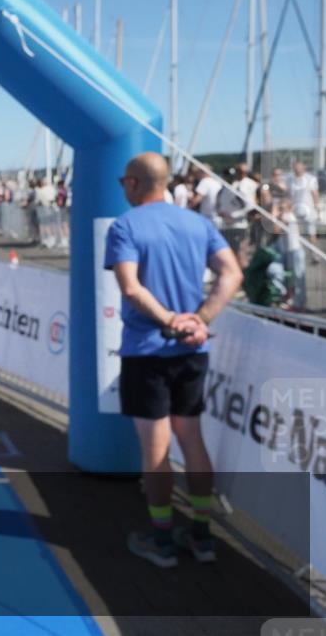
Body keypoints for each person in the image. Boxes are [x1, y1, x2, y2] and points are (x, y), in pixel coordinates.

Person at [105, 152, 243, 568]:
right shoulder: (198, 223)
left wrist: (170, 321)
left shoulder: (125, 226)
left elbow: (130, 288)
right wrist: (198, 320)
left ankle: (162, 538)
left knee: (155, 448)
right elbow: (232, 273)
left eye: (122, 182)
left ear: (132, 183)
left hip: (149, 350)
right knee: (192, 439)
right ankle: (201, 535)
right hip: (191, 351)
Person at [286, 159, 320, 246]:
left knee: (311, 233)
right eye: (295, 167)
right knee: (293, 235)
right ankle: (296, 254)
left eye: (299, 167)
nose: (297, 169)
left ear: (304, 167)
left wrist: (317, 207)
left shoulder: (311, 179)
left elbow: (315, 194)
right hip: (294, 211)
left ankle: (315, 256)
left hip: (309, 211)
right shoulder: (290, 180)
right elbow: (289, 196)